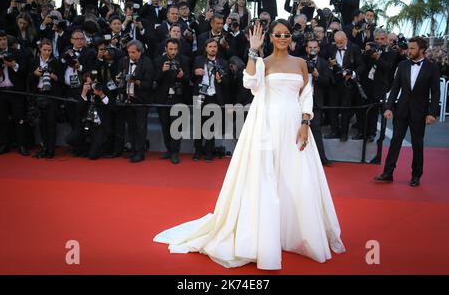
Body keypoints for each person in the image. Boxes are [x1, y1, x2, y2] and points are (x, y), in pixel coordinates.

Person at [154, 19, 345, 269]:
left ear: (291, 38)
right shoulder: (263, 62)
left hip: (293, 127)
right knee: (265, 178)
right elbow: (250, 84)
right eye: (278, 34)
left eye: (286, 34)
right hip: (266, 124)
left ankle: (296, 233)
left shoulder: (300, 63)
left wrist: (305, 123)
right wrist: (253, 51)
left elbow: (305, 96)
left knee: (297, 177)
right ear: (271, 37)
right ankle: (264, 233)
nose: (283, 38)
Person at [375, 37, 440, 187]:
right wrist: (389, 107)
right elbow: (395, 87)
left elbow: (435, 93)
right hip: (402, 110)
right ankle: (388, 173)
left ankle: (416, 175)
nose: (409, 51)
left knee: (417, 144)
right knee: (395, 141)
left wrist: (432, 113)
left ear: (422, 50)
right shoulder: (403, 65)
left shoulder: (432, 67)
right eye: (409, 48)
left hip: (420, 111)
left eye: (412, 49)